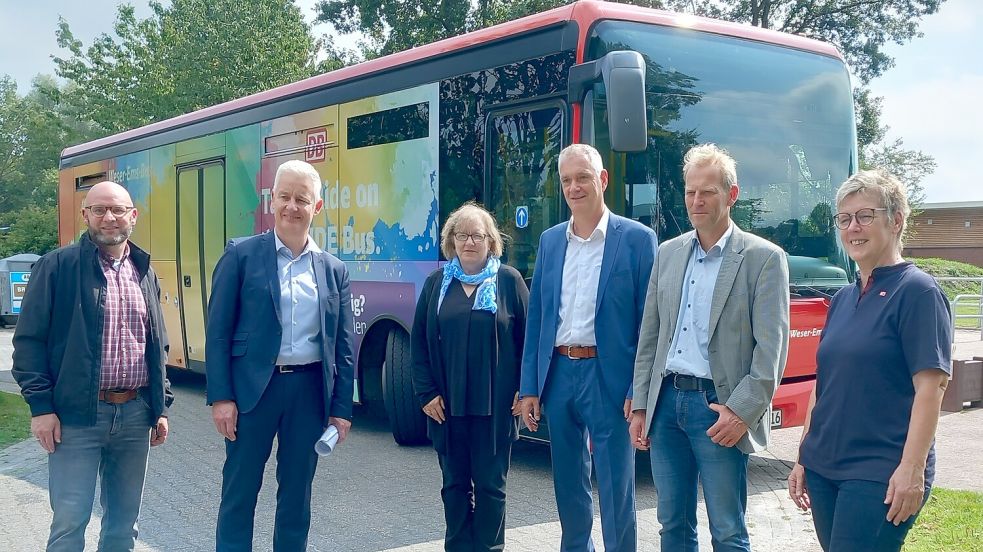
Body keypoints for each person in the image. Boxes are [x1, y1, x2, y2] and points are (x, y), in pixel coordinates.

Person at [630, 143, 790, 552]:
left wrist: (742, 411)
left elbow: (771, 351)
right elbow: (651, 337)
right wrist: (642, 404)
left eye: (708, 192)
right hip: (666, 406)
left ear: (731, 195)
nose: (697, 201)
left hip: (719, 408)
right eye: (690, 192)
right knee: (672, 526)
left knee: (728, 531)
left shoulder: (764, 259)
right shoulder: (667, 254)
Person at [787, 169, 952, 552]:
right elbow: (823, 383)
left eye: (865, 216)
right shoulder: (843, 298)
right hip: (826, 467)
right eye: (844, 219)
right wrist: (803, 455)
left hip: (881, 471)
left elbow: (932, 387)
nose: (852, 228)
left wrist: (912, 469)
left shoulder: (918, 292)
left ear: (896, 220)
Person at [11, 181, 173, 551]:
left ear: (133, 215)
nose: (109, 217)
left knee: (123, 525)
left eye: (118, 209)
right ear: (85, 215)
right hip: (75, 418)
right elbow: (29, 343)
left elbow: (156, 343)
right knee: (70, 522)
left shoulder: (144, 271)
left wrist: (160, 406)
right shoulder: (56, 267)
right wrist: (42, 408)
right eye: (99, 209)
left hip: (135, 415)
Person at [206, 159, 355, 551]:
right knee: (239, 493)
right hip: (253, 392)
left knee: (296, 497)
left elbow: (343, 345)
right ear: (272, 200)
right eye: (284, 196)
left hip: (308, 394)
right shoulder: (241, 256)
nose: (292, 206)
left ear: (317, 207)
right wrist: (221, 398)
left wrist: (341, 410)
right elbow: (218, 332)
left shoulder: (333, 269)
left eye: (301, 199)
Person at [519, 143, 657, 552]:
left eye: (583, 177)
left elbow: (650, 323)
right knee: (568, 482)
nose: (574, 187)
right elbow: (539, 318)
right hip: (559, 374)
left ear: (603, 179)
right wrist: (530, 386)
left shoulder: (637, 239)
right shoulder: (550, 241)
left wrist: (639, 387)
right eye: (566, 180)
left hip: (609, 378)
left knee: (617, 485)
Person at [410, 202, 529, 551]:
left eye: (477, 235)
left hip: (496, 407)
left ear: (491, 241)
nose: (469, 242)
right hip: (447, 407)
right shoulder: (437, 284)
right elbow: (418, 341)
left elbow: (529, 340)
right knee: (454, 486)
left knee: (492, 487)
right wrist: (426, 393)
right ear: (452, 241)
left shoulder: (508, 281)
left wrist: (526, 389)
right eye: (461, 235)